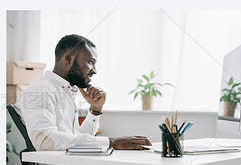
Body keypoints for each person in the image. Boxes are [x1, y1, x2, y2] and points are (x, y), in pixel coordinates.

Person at [14, 34, 151, 151]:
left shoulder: (64, 91)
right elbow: (44, 141)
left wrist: (95, 110)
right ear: (68, 59)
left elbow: (77, 139)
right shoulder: (41, 89)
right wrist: (111, 142)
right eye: (91, 62)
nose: (94, 70)